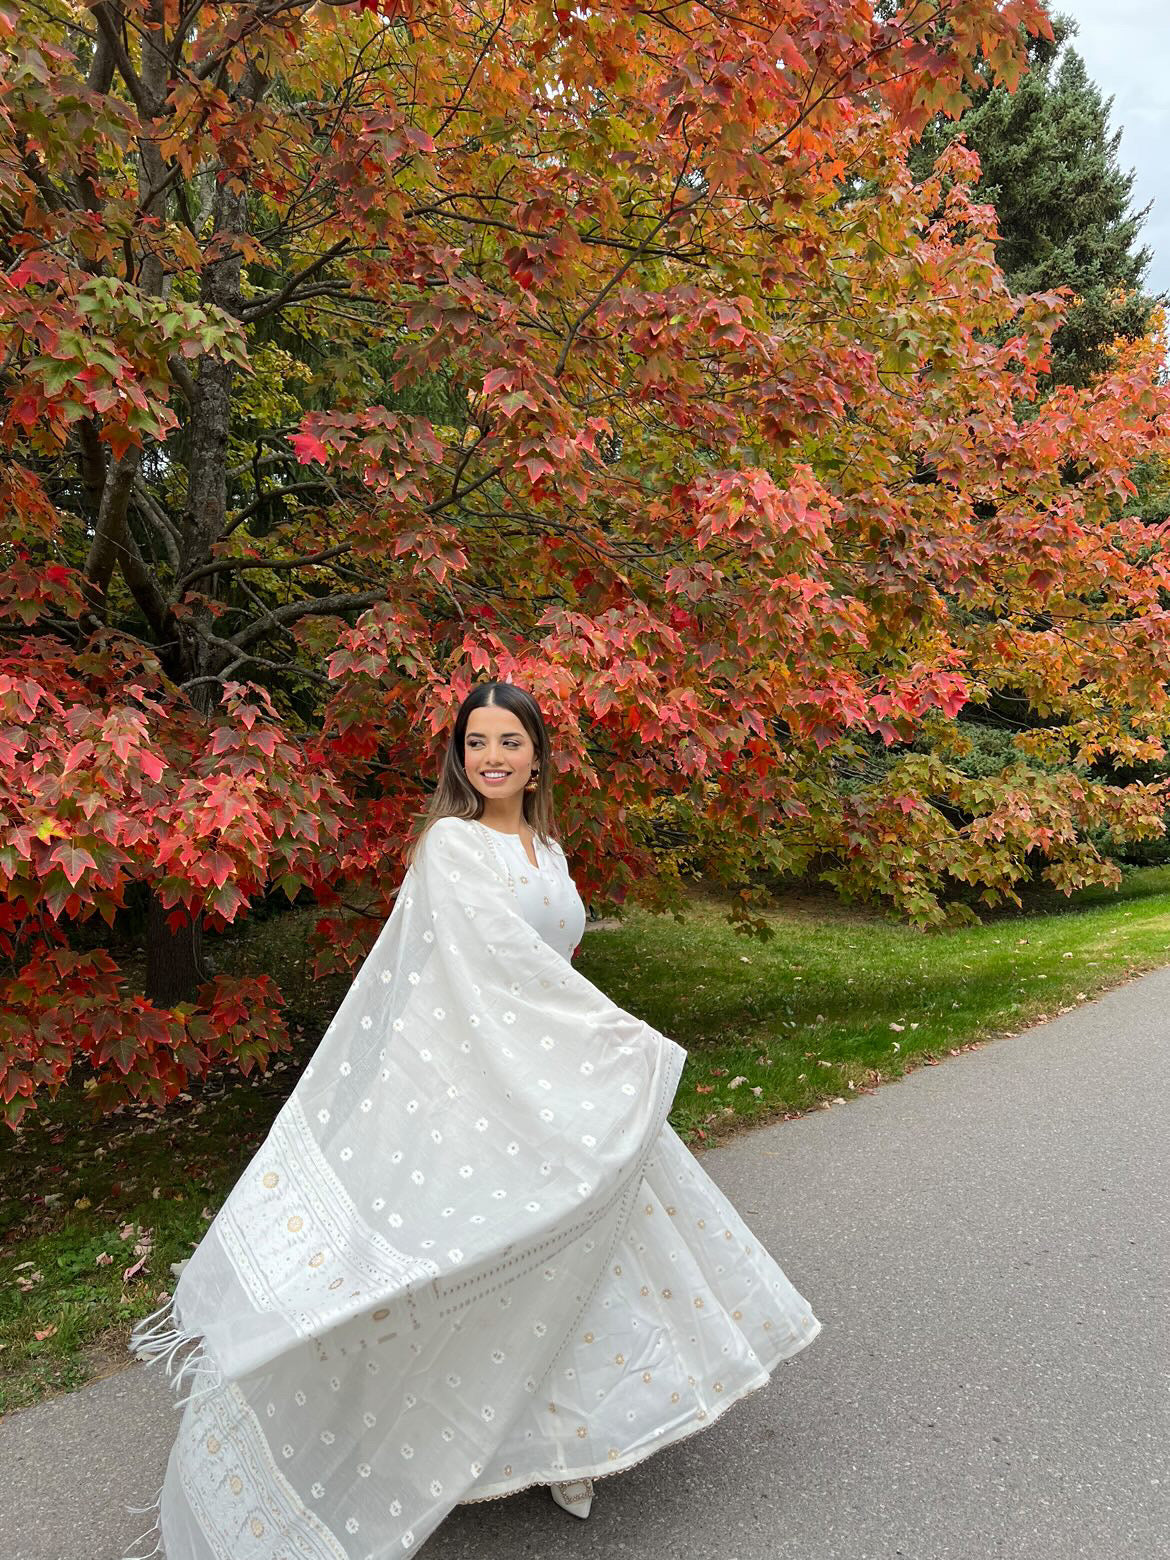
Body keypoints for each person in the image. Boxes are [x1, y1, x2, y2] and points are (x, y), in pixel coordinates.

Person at [122, 680, 821, 1559]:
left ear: (537, 759)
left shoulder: (549, 851)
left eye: (510, 742)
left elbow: (550, 970)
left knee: (582, 1246)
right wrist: (615, 1037)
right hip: (466, 1088)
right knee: (455, 1262)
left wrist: (586, 1047)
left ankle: (573, 1436)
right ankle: (388, 1439)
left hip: (547, 1081)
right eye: (476, 742)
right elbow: (489, 969)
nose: (492, 757)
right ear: (460, 757)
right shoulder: (451, 846)